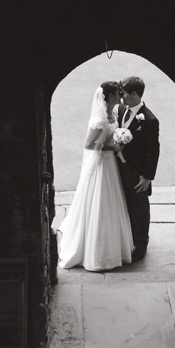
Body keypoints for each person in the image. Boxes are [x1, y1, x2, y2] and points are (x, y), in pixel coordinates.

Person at [56, 81, 134, 271]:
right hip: (101, 165)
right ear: (108, 97)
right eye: (117, 93)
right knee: (99, 203)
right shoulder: (98, 119)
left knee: (112, 204)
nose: (120, 95)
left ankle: (114, 247)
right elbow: (89, 145)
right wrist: (112, 147)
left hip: (110, 166)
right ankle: (97, 253)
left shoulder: (113, 113)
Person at [116, 76, 160, 261]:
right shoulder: (121, 109)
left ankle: (141, 244)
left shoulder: (149, 119)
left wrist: (147, 177)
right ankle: (128, 240)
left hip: (138, 173)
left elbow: (153, 150)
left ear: (134, 94)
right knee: (125, 205)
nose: (121, 96)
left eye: (124, 93)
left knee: (140, 209)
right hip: (120, 168)